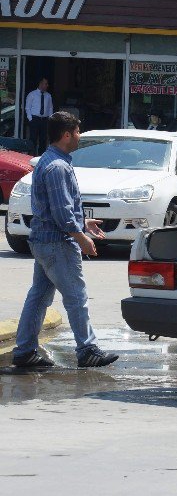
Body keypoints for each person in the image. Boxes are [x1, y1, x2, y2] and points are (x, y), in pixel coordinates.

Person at [10, 111, 120, 369]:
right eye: (78, 132)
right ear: (66, 134)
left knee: (38, 297)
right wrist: (80, 236)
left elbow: (56, 208)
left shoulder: (49, 161)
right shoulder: (58, 166)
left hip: (43, 241)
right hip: (57, 243)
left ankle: (25, 351)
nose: (80, 137)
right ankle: (87, 350)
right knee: (76, 297)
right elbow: (61, 212)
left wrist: (83, 223)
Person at [24, 78, 53, 155]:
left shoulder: (48, 96)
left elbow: (50, 108)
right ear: (40, 84)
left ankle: (41, 156)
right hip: (35, 119)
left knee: (43, 139)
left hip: (44, 120)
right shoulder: (32, 94)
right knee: (33, 139)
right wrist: (30, 119)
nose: (47, 85)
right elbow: (27, 107)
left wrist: (50, 119)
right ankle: (31, 156)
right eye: (45, 83)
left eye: (47, 84)